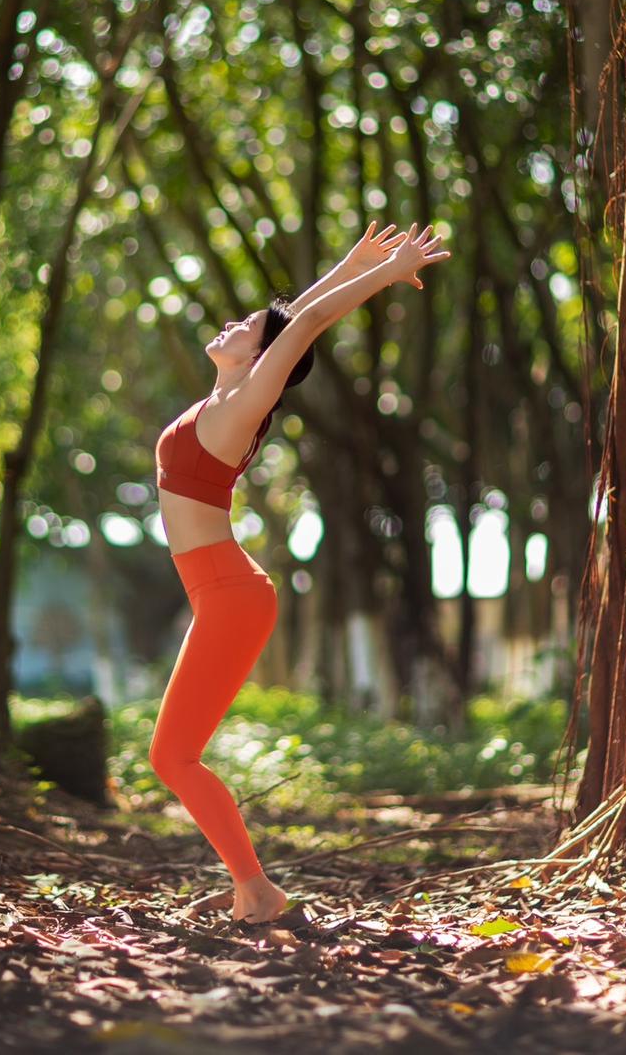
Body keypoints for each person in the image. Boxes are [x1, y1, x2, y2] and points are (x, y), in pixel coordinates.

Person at [150, 221, 451, 924]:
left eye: (244, 327)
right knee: (175, 756)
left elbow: (304, 324)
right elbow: (294, 316)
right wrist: (350, 261)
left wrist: (385, 274)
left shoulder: (243, 404)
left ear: (260, 360)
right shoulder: (225, 398)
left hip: (229, 596)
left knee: (173, 757)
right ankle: (255, 891)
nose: (231, 324)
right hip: (223, 592)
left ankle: (257, 891)